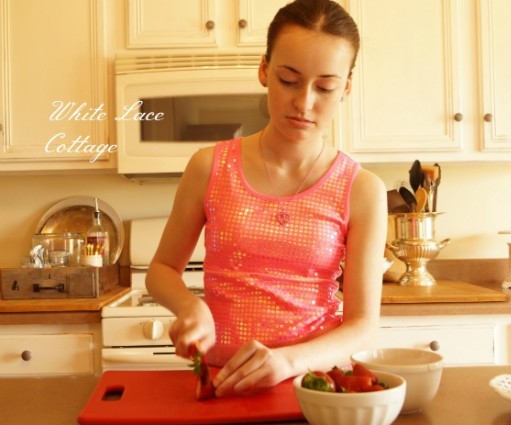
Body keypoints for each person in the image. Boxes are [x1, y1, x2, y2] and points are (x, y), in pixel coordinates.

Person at [146, 0, 387, 397]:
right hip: (222, 384)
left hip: (314, 389)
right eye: (289, 80)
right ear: (264, 71)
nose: (304, 103)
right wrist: (190, 306)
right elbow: (162, 269)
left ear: (345, 88)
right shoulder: (209, 167)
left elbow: (363, 323)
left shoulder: (362, 189)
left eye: (325, 87)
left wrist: (288, 361)